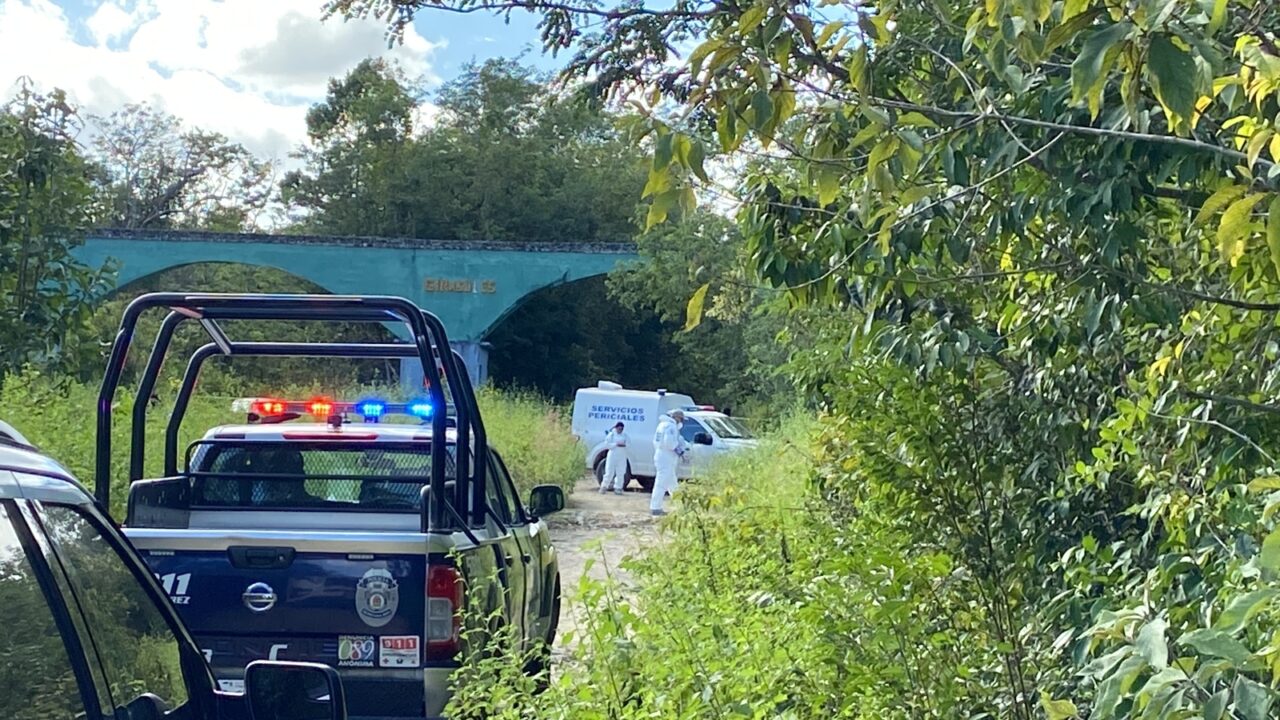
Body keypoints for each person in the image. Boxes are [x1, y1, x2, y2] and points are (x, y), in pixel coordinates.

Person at [650, 410, 686, 516]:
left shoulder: (662, 425)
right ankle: (655, 507)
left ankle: (680, 507)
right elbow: (669, 443)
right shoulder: (671, 426)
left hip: (661, 454)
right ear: (677, 418)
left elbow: (656, 441)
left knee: (672, 484)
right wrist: (679, 450)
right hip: (666, 457)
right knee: (661, 483)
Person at [600, 421, 629, 495]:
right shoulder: (611, 435)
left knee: (621, 472)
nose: (620, 430)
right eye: (619, 428)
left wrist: (624, 445)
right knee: (609, 472)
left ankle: (618, 488)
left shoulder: (625, 435)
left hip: (621, 456)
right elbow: (606, 444)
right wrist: (616, 444)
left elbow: (628, 444)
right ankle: (604, 486)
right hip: (612, 455)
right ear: (616, 428)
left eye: (622, 429)